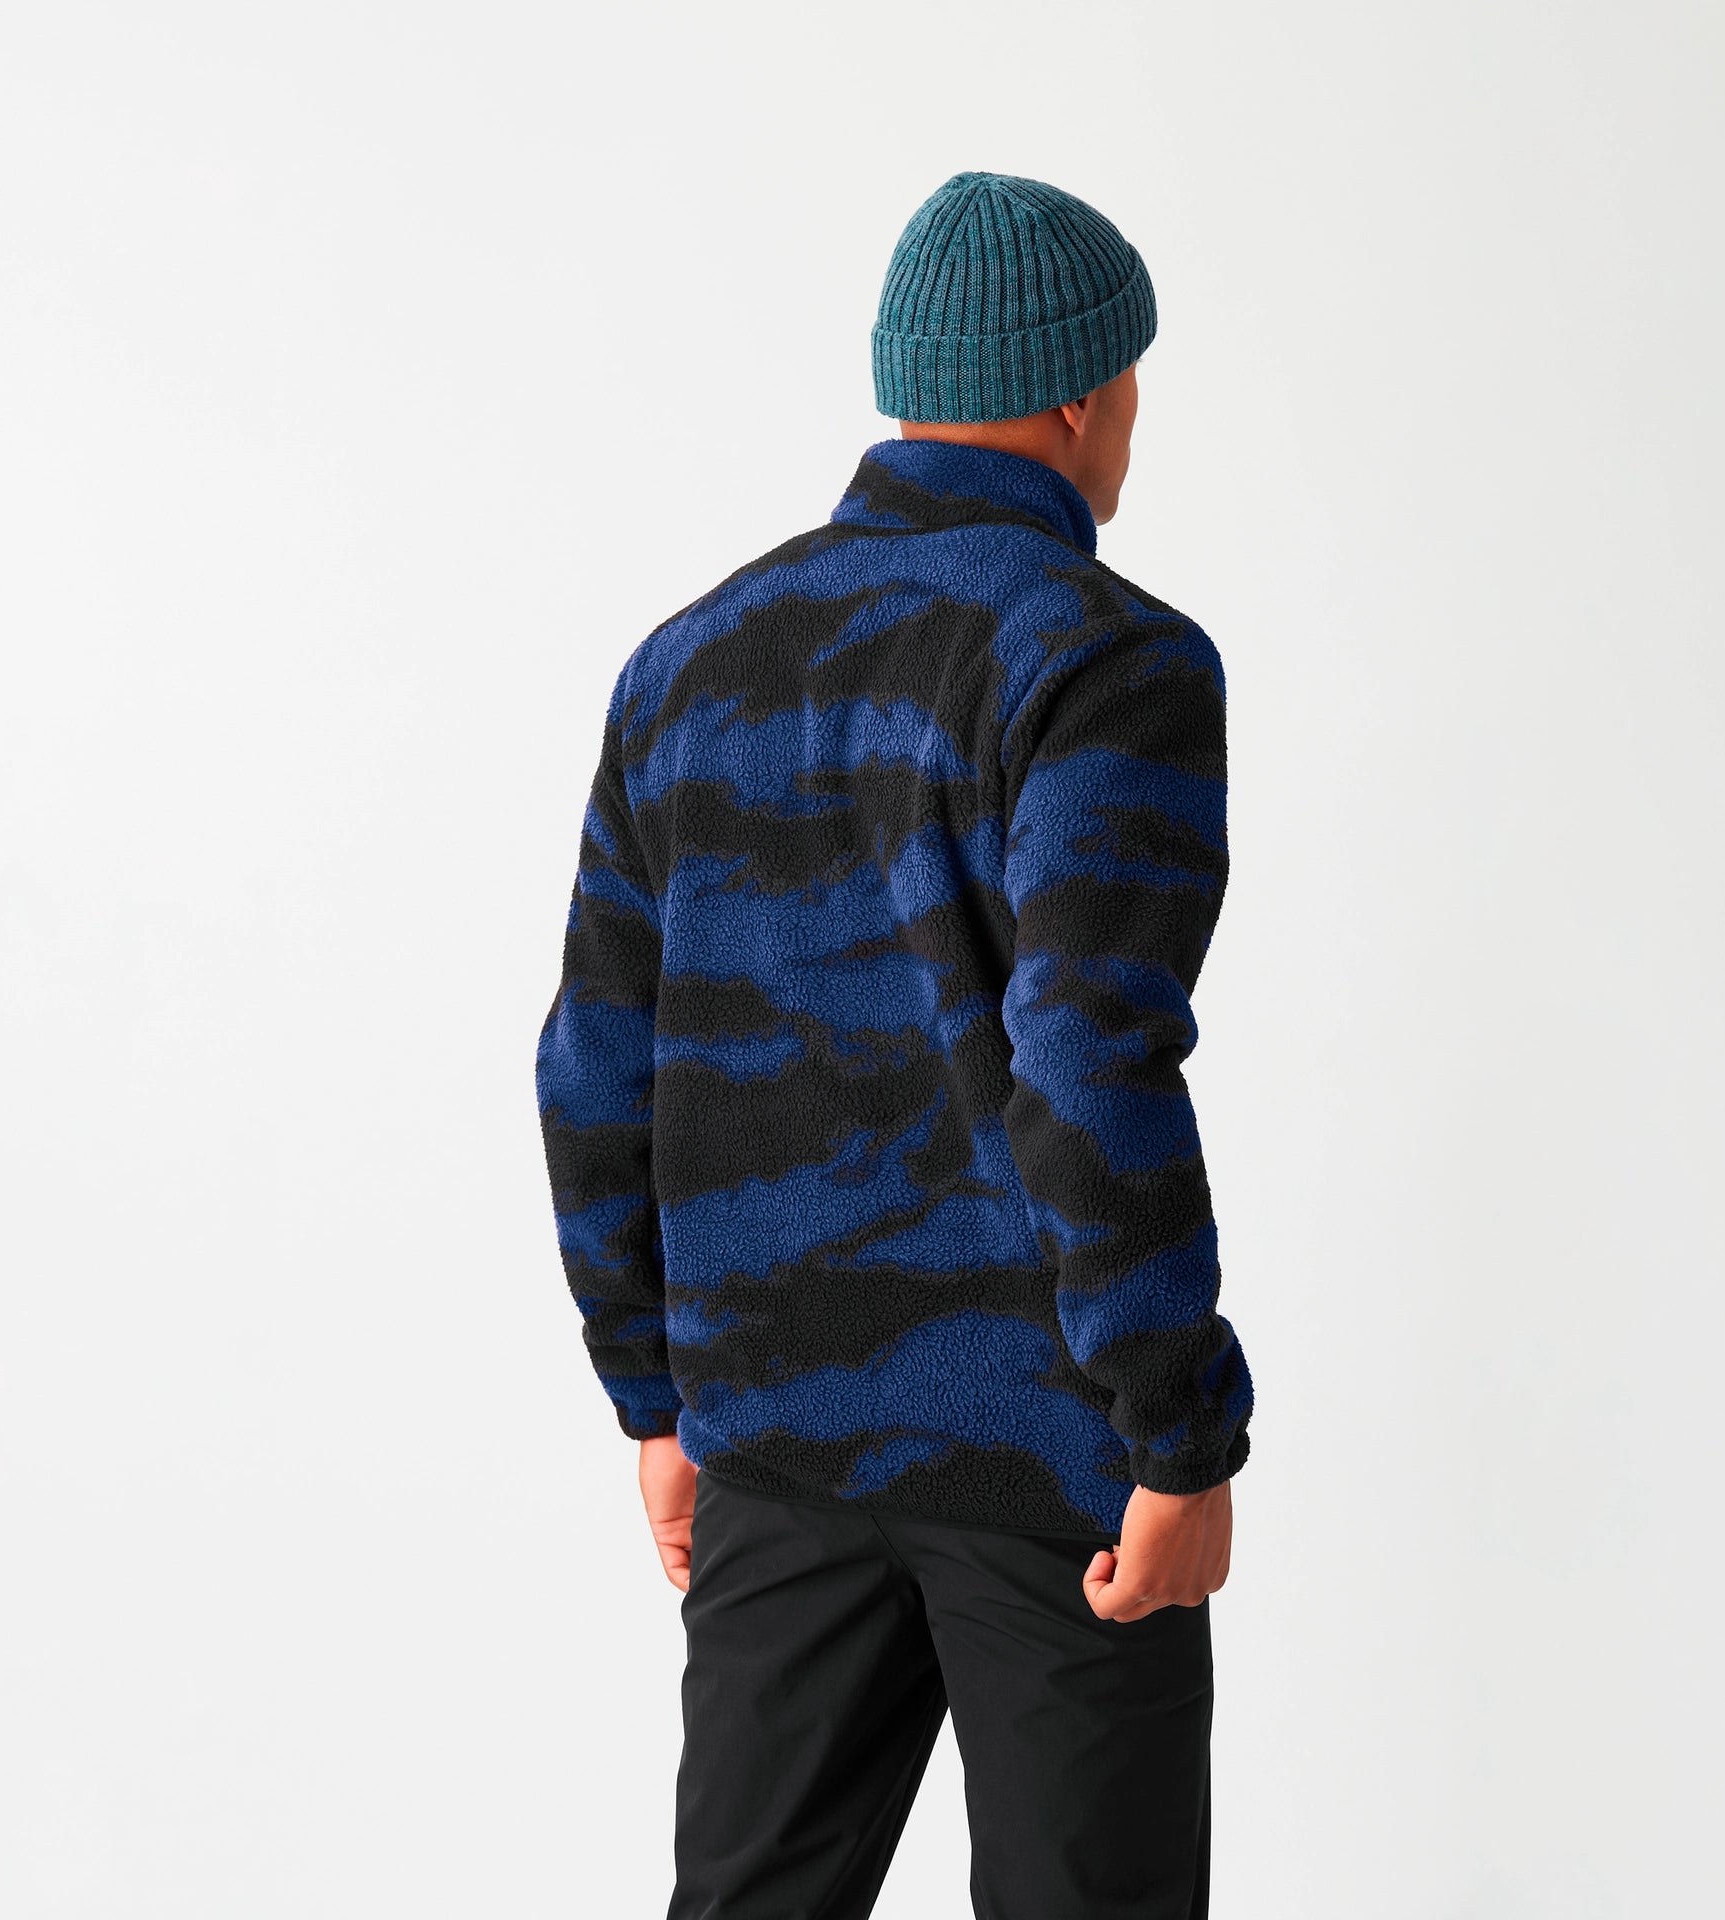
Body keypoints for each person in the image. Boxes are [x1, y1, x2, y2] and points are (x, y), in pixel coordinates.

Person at [536, 170, 1254, 1920]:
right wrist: (1180, 1437)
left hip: (770, 1442)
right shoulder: (1108, 662)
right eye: (1132, 388)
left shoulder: (687, 665)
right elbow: (1087, 1064)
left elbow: (591, 1067)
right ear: (1082, 398)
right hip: (1049, 1466)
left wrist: (656, 1399)